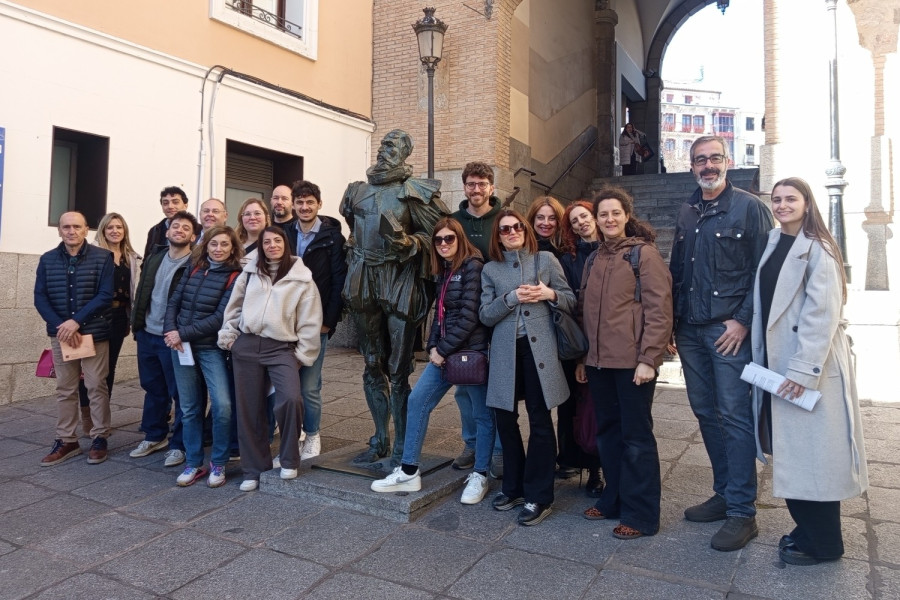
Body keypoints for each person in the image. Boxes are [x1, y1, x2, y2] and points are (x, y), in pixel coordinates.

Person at [750, 177, 867, 565]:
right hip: (776, 361)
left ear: (806, 203)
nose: (782, 205)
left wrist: (801, 373)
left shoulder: (819, 249)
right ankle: (810, 531)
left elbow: (821, 316)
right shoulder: (773, 241)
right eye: (777, 199)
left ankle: (824, 544)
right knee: (795, 455)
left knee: (813, 458)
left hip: (805, 368)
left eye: (791, 199)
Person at [669, 135, 773, 552]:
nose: (707, 165)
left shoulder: (750, 208)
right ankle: (724, 492)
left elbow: (765, 272)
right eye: (700, 160)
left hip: (727, 333)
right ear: (692, 166)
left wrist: (744, 322)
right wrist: (672, 326)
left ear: (727, 161)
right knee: (705, 413)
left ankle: (742, 513)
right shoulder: (687, 210)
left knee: (733, 415)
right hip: (691, 331)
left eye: (714, 158)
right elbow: (678, 271)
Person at [340, 129, 448, 465]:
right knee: (372, 363)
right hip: (364, 279)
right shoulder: (355, 191)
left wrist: (412, 244)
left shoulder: (415, 192)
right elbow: (353, 230)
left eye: (393, 146)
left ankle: (403, 443)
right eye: (383, 144)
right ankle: (379, 438)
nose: (385, 150)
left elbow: (441, 237)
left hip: (400, 279)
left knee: (399, 369)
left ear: (405, 154)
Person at [371, 218, 494, 504]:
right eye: (438, 240)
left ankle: (480, 475)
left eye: (449, 239)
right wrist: (432, 346)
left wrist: (443, 350)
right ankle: (410, 470)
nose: (443, 244)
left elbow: (470, 316)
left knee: (482, 415)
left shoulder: (473, 266)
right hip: (445, 354)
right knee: (418, 401)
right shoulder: (446, 270)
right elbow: (440, 315)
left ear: (460, 239)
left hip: (470, 354)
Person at [576, 187, 673, 540]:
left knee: (636, 439)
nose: (609, 219)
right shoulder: (594, 258)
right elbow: (588, 311)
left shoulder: (643, 255)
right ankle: (613, 497)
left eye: (615, 213)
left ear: (626, 216)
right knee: (608, 435)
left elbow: (659, 309)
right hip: (600, 363)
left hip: (634, 365)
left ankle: (642, 514)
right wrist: (587, 357)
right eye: (603, 214)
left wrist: (650, 358)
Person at [480, 209, 576, 526]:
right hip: (507, 354)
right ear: (498, 235)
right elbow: (485, 315)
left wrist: (547, 293)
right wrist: (510, 298)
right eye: (504, 229)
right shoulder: (491, 269)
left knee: (540, 420)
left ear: (526, 229)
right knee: (505, 420)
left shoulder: (544, 260)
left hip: (540, 353)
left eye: (517, 226)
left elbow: (569, 299)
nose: (511, 232)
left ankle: (539, 495)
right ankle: (514, 487)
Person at [219, 226, 323, 492]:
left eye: (278, 240)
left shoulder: (302, 279)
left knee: (291, 398)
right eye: (267, 242)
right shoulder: (250, 272)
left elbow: (311, 321)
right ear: (261, 246)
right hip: (248, 345)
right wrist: (230, 336)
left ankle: (289, 458)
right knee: (249, 409)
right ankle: (253, 469)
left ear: (285, 244)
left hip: (281, 348)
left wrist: (302, 355)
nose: (272, 245)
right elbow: (235, 305)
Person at [164, 226, 243, 487]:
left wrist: (181, 333)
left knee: (223, 406)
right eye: (213, 244)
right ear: (205, 245)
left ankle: (218, 463)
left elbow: (220, 317)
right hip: (182, 347)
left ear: (232, 248)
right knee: (189, 408)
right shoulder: (194, 266)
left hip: (210, 348)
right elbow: (173, 301)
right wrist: (170, 330)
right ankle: (193, 462)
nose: (218, 249)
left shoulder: (235, 275)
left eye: (224, 245)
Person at [34, 212, 114, 466]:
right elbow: (40, 297)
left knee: (95, 385)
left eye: (76, 226)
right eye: (66, 227)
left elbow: (104, 295)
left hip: (94, 333)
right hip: (61, 335)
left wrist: (76, 321)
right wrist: (62, 326)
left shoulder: (103, 257)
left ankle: (99, 436)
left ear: (86, 229)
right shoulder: (47, 260)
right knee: (65, 388)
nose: (71, 231)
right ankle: (67, 439)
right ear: (59, 230)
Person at [282, 179, 347, 460]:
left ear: (319, 204)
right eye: (299, 202)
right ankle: (291, 435)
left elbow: (338, 282)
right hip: (284, 321)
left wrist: (328, 322)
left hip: (315, 321)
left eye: (310, 202)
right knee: (285, 384)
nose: (304, 207)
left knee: (309, 384)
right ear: (293, 205)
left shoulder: (332, 237)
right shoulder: (283, 232)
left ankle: (312, 434)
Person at [129, 211, 199, 466]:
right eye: (175, 226)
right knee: (153, 389)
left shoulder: (196, 263)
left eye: (185, 228)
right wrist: (137, 326)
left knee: (181, 393)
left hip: (176, 339)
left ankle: (179, 444)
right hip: (147, 334)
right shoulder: (155, 258)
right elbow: (142, 293)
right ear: (167, 232)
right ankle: (155, 435)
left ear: (193, 236)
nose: (178, 230)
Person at [450, 161, 504, 478]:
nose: (476, 189)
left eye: (482, 184)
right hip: (464, 315)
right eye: (471, 184)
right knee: (463, 384)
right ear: (465, 187)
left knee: (496, 385)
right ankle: (471, 444)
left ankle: (497, 450)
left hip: (496, 312)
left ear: (491, 188)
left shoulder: (504, 221)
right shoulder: (455, 222)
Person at [75, 213, 141, 437]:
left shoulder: (131, 257)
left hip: (119, 316)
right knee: (89, 371)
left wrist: (132, 319)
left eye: (119, 227)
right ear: (102, 230)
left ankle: (101, 418)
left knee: (108, 370)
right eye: (110, 227)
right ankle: (88, 419)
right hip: (93, 318)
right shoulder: (91, 254)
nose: (115, 231)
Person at [556, 200, 603, 494]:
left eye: (584, 216)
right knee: (582, 407)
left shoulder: (614, 248)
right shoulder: (569, 259)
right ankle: (592, 470)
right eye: (574, 221)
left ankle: (606, 466)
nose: (581, 223)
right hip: (580, 338)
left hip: (610, 339)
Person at [145, 186, 188, 258]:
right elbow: (147, 260)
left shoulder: (198, 230)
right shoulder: (155, 230)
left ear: (185, 205)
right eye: (165, 203)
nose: (170, 206)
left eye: (175, 202)